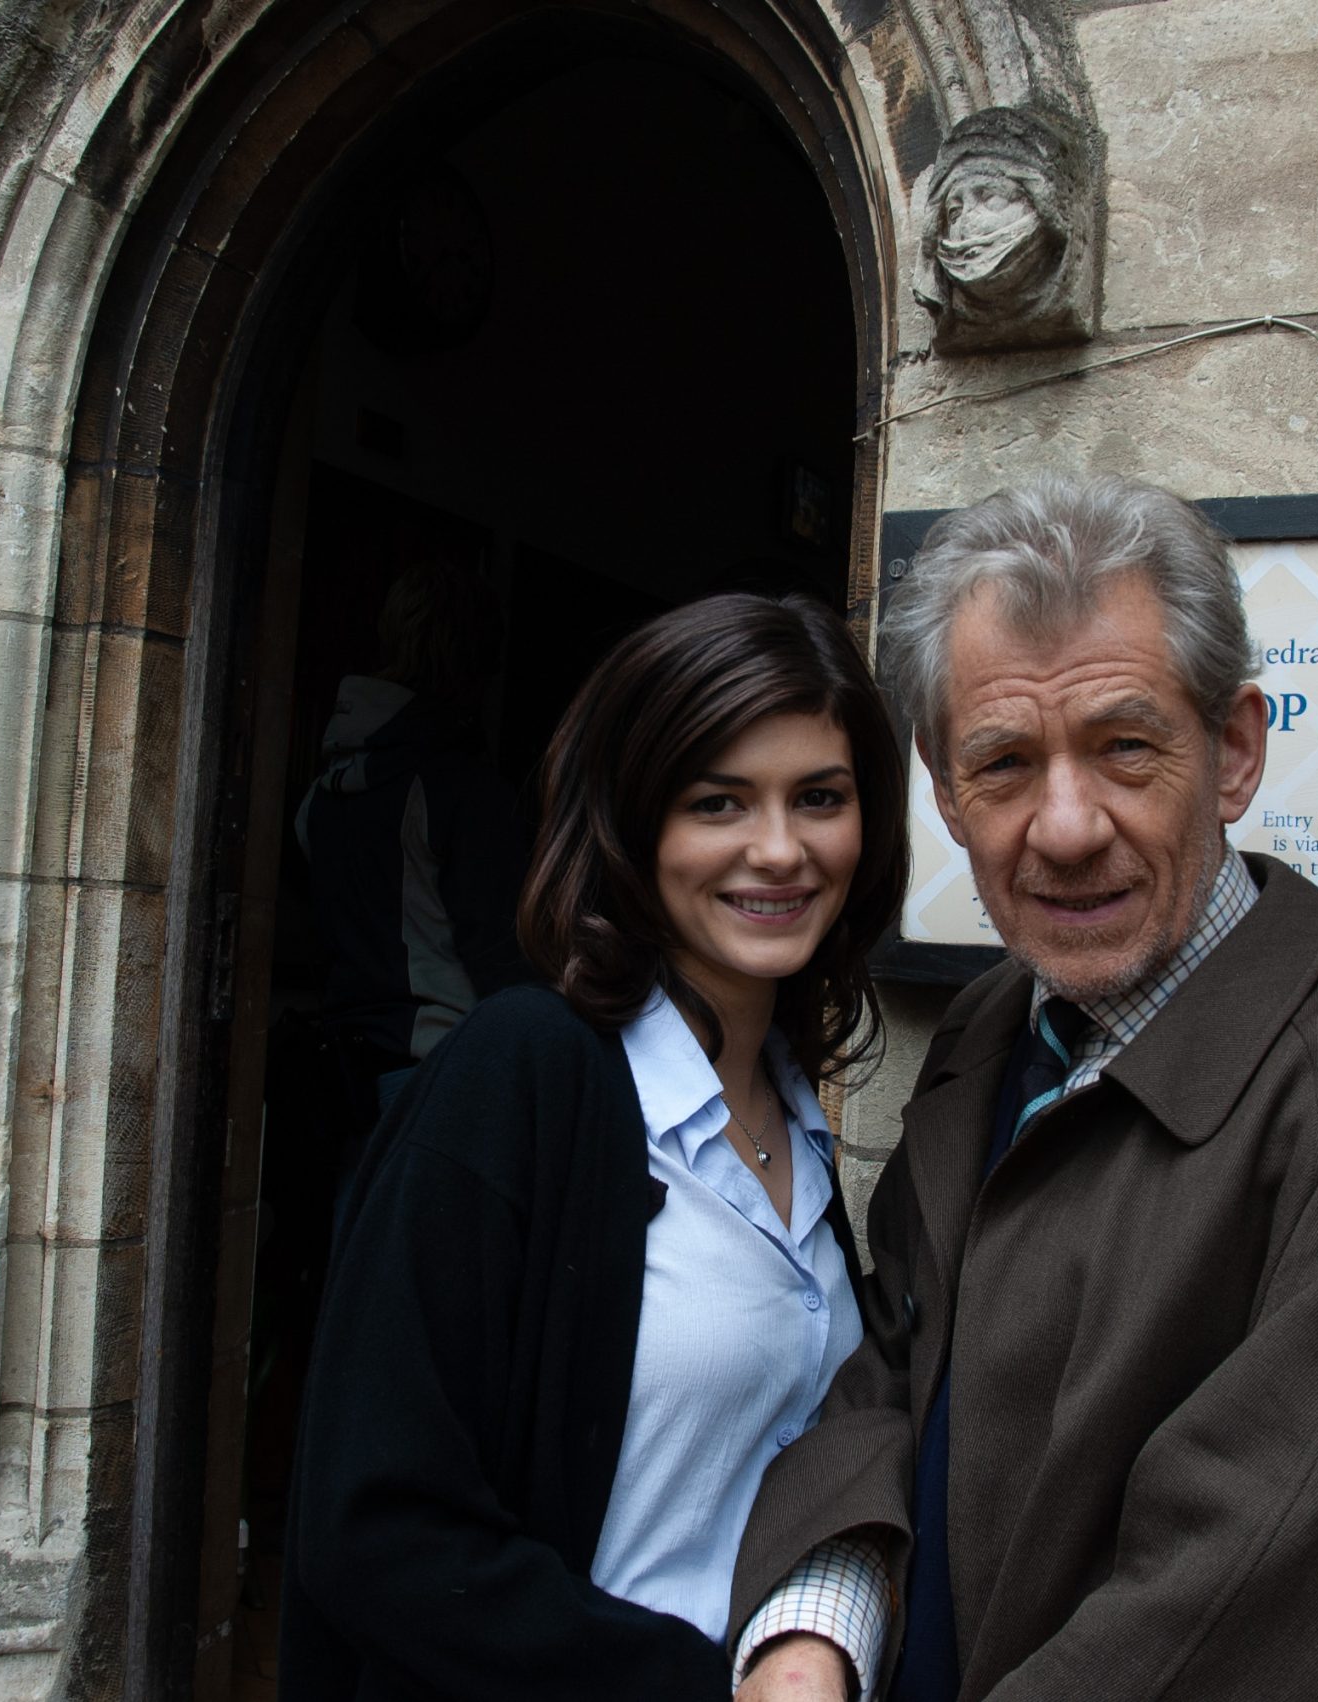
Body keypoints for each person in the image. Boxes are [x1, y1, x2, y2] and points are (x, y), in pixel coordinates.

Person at [729, 474, 1318, 1702]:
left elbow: (1256, 1591)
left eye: (1124, 746)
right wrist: (816, 1624)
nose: (1064, 827)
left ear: (1232, 751)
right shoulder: (989, 1033)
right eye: (1004, 762)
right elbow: (892, 1377)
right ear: (944, 791)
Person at [277, 592, 911, 1701]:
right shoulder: (522, 1076)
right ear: (631, 823)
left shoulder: (794, 1115)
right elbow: (373, 1532)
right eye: (718, 801)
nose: (779, 849)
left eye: (820, 797)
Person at [294, 558, 533, 1119]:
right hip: (441, 1071)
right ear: (474, 664)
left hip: (343, 1074)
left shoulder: (320, 794)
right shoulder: (456, 789)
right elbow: (504, 959)